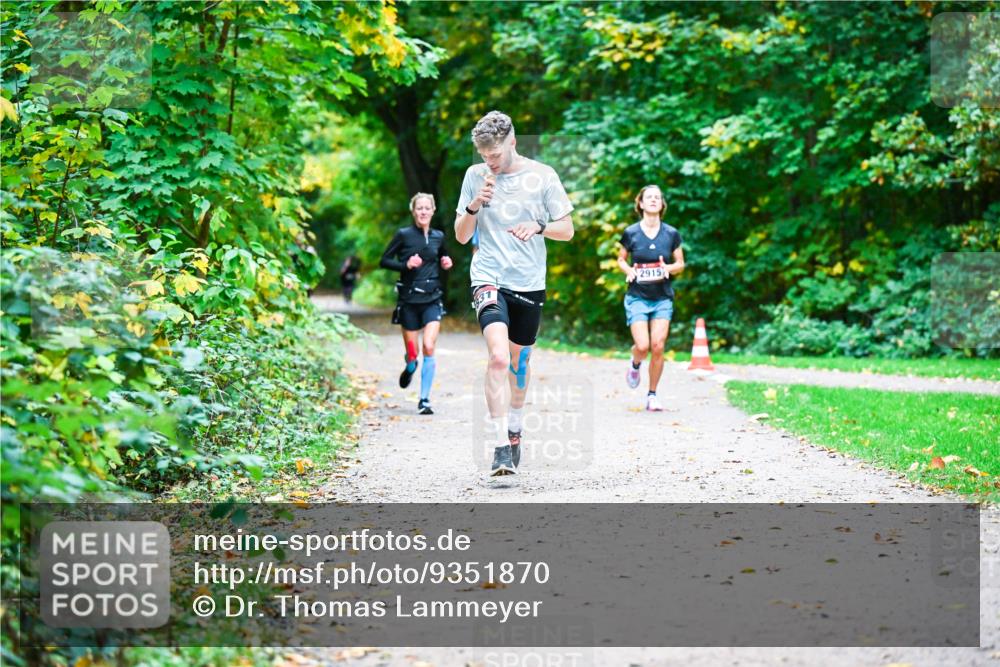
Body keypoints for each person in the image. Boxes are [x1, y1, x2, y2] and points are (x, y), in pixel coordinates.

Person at [454, 110, 575, 476]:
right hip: (488, 276)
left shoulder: (543, 176)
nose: (489, 161)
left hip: (528, 281)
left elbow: (567, 229)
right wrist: (475, 205)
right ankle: (499, 448)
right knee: (497, 358)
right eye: (484, 155)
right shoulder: (475, 177)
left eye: (495, 154)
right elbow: (461, 235)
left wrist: (538, 226)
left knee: (519, 364)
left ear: (512, 142)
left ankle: (515, 426)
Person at [379, 193, 453, 415]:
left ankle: (424, 400)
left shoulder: (439, 236)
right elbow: (384, 261)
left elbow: (443, 256)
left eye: (426, 208)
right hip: (409, 301)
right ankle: (410, 365)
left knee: (428, 346)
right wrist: (405, 264)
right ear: (414, 212)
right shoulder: (403, 235)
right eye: (419, 208)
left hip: (432, 298)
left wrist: (446, 262)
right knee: (413, 354)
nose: (423, 211)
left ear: (432, 211)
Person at [616, 184, 685, 411]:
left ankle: (652, 394)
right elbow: (621, 259)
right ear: (641, 204)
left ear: (662, 204)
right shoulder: (631, 232)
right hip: (637, 297)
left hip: (662, 297)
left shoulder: (671, 233)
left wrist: (669, 269)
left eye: (658, 197)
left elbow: (680, 264)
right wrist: (629, 271)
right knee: (643, 345)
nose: (654, 200)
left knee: (658, 345)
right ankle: (635, 363)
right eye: (649, 197)